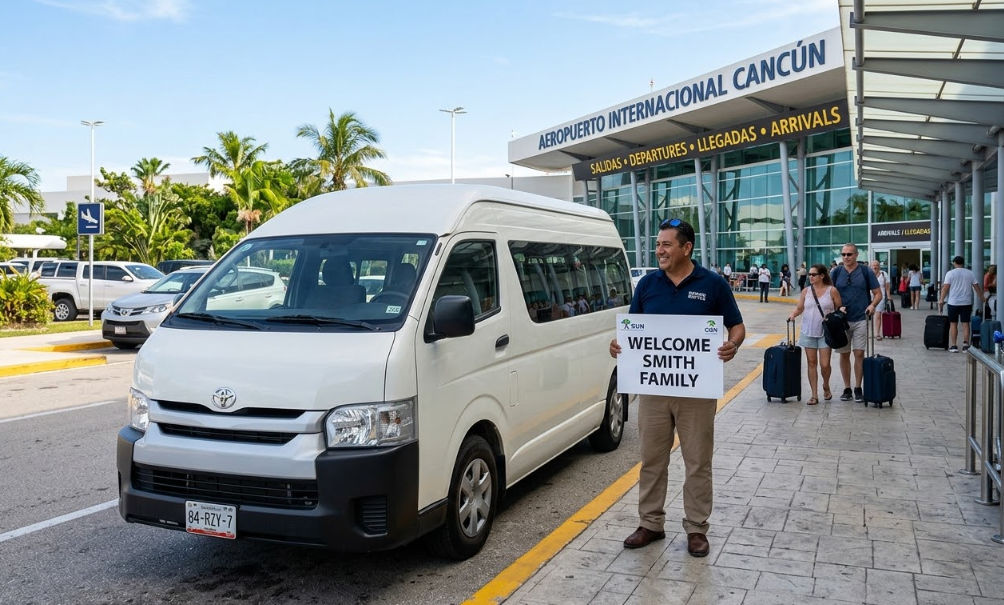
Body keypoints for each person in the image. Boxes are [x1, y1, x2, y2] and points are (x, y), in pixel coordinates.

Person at [608, 218, 745, 557]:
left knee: (698, 461)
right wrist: (619, 345)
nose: (660, 250)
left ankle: (697, 528)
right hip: (654, 390)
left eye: (667, 244)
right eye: (658, 244)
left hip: (696, 391)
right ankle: (650, 523)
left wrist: (733, 344)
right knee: (651, 459)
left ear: (686, 248)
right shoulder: (648, 285)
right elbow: (633, 329)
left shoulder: (712, 284)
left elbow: (737, 326)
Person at [830, 244, 882, 402]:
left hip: (860, 318)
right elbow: (829, 293)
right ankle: (847, 388)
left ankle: (858, 387)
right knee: (844, 354)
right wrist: (836, 308)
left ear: (857, 255)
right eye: (843, 254)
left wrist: (872, 305)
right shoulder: (836, 272)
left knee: (859, 353)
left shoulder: (866, 271)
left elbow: (878, 293)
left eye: (849, 254)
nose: (846, 257)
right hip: (841, 321)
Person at [788, 264, 843, 405]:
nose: (810, 277)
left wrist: (839, 312)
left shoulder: (832, 291)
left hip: (826, 332)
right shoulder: (806, 291)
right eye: (809, 275)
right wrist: (793, 315)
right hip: (808, 331)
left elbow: (839, 308)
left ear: (822, 276)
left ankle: (826, 385)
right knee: (811, 363)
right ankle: (814, 395)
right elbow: (800, 308)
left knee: (825, 364)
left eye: (813, 274)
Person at [939, 256, 983, 352]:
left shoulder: (950, 273)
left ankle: (954, 346)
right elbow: (976, 287)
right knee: (965, 324)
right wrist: (982, 297)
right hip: (966, 302)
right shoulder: (970, 273)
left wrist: (941, 300)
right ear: (963, 263)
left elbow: (945, 288)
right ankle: (966, 345)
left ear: (954, 263)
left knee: (953, 324)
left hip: (953, 302)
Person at [870, 260, 890, 340]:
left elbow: (887, 287)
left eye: (876, 265)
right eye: (873, 265)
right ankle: (870, 332)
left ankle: (877, 333)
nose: (875, 267)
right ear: (870, 266)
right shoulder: (868, 274)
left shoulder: (884, 274)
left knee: (878, 314)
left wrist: (888, 296)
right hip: (869, 296)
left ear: (879, 266)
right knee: (869, 315)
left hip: (881, 297)